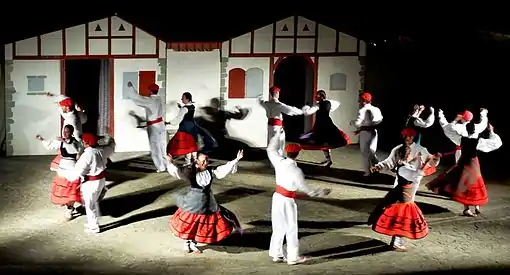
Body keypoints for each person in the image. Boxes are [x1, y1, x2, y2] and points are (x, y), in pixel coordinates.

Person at [369, 128, 441, 251]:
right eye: (405, 137)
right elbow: (390, 162)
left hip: (407, 184)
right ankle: (397, 240)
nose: (407, 139)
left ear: (413, 138)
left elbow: (429, 162)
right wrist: (379, 166)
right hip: (405, 184)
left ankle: (388, 230)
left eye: (410, 137)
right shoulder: (398, 151)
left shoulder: (420, 150)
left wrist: (433, 160)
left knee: (394, 207)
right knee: (403, 213)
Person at [267, 129, 331, 265]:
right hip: (287, 200)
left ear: (287, 152)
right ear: (298, 153)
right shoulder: (296, 171)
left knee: (278, 226)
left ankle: (276, 253)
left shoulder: (279, 161)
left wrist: (277, 135)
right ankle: (292, 257)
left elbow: (270, 149)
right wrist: (321, 192)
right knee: (291, 228)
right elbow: (307, 190)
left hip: (277, 197)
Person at [167, 150, 244, 253]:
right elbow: (178, 172)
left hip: (206, 203)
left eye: (207, 160)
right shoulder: (191, 172)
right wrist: (170, 162)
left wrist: (236, 159)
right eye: (203, 161)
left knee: (200, 225)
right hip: (192, 203)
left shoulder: (210, 171)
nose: (206, 163)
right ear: (196, 162)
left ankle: (193, 243)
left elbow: (223, 169)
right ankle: (187, 243)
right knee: (190, 224)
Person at [426, 118, 502, 217]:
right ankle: (475, 207)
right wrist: (491, 131)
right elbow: (495, 143)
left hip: (464, 162)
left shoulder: (461, 139)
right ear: (475, 131)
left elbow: (449, 131)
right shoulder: (478, 141)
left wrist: (445, 118)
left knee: (465, 183)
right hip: (472, 163)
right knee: (475, 182)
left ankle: (469, 208)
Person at [60, 133, 115, 234]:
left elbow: (77, 173)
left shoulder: (87, 155)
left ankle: (94, 227)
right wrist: (111, 139)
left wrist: (63, 173)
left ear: (85, 143)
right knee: (93, 203)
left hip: (91, 183)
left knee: (90, 205)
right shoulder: (102, 151)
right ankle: (92, 223)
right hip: (101, 181)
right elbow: (111, 147)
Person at [36, 124, 83, 220]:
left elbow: (75, 150)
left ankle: (69, 209)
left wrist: (64, 142)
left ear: (71, 133)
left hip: (72, 170)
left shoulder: (76, 143)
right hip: (63, 169)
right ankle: (68, 206)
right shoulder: (60, 142)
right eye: (64, 131)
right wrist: (41, 140)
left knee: (72, 190)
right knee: (64, 190)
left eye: (67, 132)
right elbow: (50, 145)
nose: (65, 133)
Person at [299, 90, 351, 167]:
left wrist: (306, 106)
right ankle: (328, 160)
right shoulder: (329, 103)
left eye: (318, 95)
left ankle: (328, 160)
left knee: (321, 141)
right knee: (326, 142)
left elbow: (308, 113)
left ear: (322, 96)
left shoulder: (318, 105)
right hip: (328, 124)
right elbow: (337, 103)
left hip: (321, 125)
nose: (316, 96)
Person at [125, 81, 168, 173]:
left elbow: (137, 98)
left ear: (150, 91)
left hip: (153, 125)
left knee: (155, 147)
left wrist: (131, 88)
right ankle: (166, 164)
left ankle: (161, 167)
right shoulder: (160, 100)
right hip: (161, 124)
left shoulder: (150, 100)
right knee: (162, 146)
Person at [259, 86, 304, 156]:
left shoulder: (266, 104)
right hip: (277, 127)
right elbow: (290, 110)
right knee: (279, 144)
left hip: (270, 126)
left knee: (271, 143)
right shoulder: (279, 105)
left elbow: (261, 102)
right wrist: (301, 111)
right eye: (278, 93)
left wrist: (260, 98)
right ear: (276, 93)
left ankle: (272, 161)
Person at [350, 92, 383, 176]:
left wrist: (352, 122)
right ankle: (378, 167)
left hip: (365, 133)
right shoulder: (376, 109)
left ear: (363, 100)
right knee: (371, 151)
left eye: (360, 99)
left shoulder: (362, 110)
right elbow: (380, 119)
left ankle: (367, 171)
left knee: (365, 152)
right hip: (374, 131)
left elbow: (358, 123)